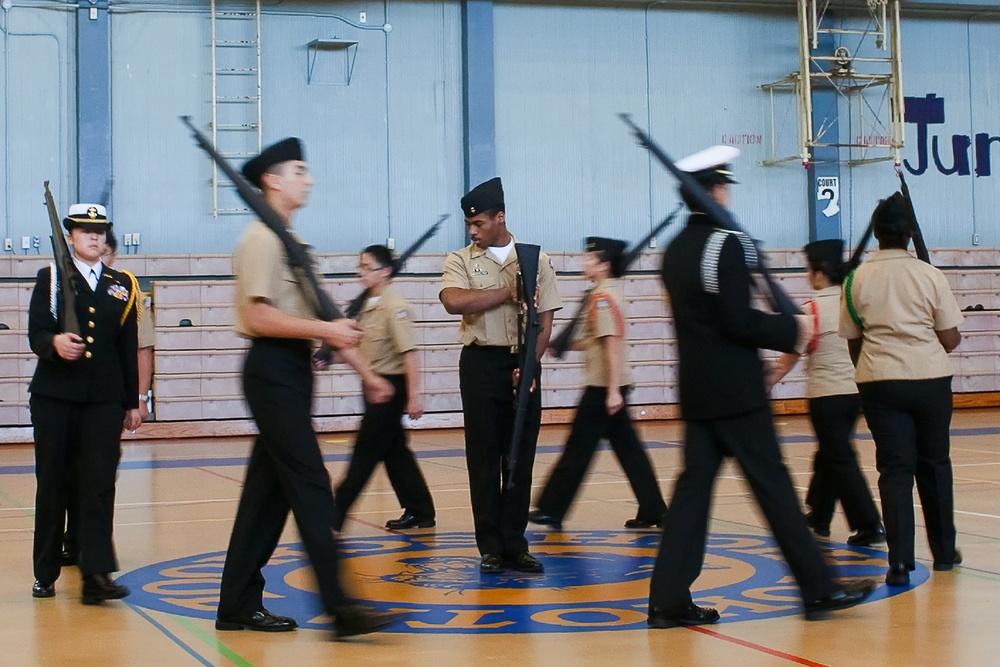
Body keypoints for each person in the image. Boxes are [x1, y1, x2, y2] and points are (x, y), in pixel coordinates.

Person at [648, 145, 874, 628]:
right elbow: (736, 320)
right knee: (775, 490)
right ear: (713, 191)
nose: (727, 193)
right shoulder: (724, 244)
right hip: (736, 391)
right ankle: (819, 590)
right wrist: (790, 330)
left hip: (698, 391)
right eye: (723, 186)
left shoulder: (674, 251)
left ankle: (667, 598)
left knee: (691, 498)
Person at [215, 138, 395, 639]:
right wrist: (326, 334)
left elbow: (327, 315)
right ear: (272, 179)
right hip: (271, 370)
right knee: (313, 488)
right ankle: (341, 609)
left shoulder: (293, 244)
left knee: (265, 500)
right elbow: (257, 315)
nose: (307, 178)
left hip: (290, 372)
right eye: (298, 170)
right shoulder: (261, 240)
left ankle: (236, 605)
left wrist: (368, 373)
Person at [839, 192, 964, 586]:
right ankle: (944, 552)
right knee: (935, 465)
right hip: (929, 378)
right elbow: (950, 338)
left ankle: (898, 562)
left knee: (894, 470)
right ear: (911, 233)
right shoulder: (930, 275)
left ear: (876, 233)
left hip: (879, 380)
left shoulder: (855, 278)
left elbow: (852, 337)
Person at [439, 177, 562, 574]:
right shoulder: (460, 260)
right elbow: (453, 300)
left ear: (500, 218)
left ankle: (515, 543)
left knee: (520, 456)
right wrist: (504, 293)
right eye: (468, 225)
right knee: (483, 457)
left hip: (522, 364)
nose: (473, 231)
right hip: (479, 366)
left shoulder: (534, 259)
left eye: (479, 224)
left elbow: (546, 320)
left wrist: (530, 367)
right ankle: (489, 546)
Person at [28, 203, 141, 603]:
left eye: (99, 231)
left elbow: (128, 347)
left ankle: (96, 575)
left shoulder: (122, 283)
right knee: (53, 485)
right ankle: (45, 572)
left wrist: (133, 401)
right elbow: (37, 333)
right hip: (55, 398)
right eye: (84, 230)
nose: (94, 236)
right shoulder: (53, 279)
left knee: (97, 486)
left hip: (104, 401)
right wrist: (55, 343)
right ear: (70, 237)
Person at [529, 237, 667, 529]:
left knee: (578, 448)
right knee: (629, 451)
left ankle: (552, 508)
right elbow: (597, 340)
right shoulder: (605, 291)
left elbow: (612, 342)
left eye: (591, 259)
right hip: (608, 384)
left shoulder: (603, 297)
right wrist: (566, 344)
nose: (585, 263)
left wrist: (614, 391)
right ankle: (654, 509)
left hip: (604, 387)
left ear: (604, 265)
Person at [770, 239, 885, 546]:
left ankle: (869, 524)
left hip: (826, 396)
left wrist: (763, 381)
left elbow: (787, 360)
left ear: (819, 273)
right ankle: (819, 515)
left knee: (840, 458)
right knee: (831, 455)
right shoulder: (855, 302)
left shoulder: (811, 311)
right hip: (858, 392)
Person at [61, 230, 157, 567]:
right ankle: (73, 540)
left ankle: (92, 549)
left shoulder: (126, 292)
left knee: (101, 473)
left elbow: (141, 349)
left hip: (109, 395)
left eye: (106, 252)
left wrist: (140, 398)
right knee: (71, 469)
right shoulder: (67, 285)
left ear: (112, 255)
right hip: (71, 396)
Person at [333, 244, 436, 530]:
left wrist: (414, 396)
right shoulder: (368, 304)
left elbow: (410, 353)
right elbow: (361, 347)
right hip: (373, 386)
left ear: (385, 271)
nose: (360, 272)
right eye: (361, 266)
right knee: (395, 453)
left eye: (367, 267)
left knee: (365, 452)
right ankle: (420, 510)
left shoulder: (395, 306)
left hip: (389, 389)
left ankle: (335, 513)